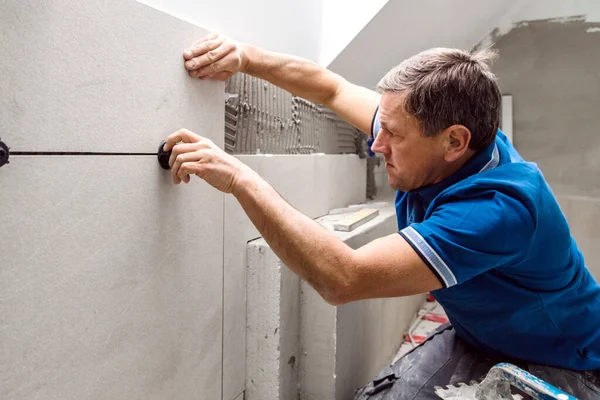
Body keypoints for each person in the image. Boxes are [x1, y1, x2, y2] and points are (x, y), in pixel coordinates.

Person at [163, 33, 600, 399]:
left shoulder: (497, 211)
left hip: (563, 360)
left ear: (454, 142)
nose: (376, 144)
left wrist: (241, 178)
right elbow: (330, 88)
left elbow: (343, 278)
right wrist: (245, 57)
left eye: (392, 135)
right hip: (481, 336)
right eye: (381, 126)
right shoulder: (442, 137)